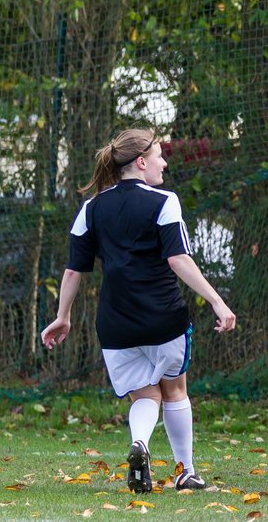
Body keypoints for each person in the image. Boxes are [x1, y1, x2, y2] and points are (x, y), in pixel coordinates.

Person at [41, 128, 237, 493]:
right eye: (160, 155)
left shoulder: (92, 207)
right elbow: (178, 259)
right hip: (163, 317)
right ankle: (185, 472)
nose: (164, 162)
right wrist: (217, 301)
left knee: (145, 396)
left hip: (116, 324)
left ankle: (141, 444)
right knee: (175, 391)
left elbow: (73, 270)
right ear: (141, 162)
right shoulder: (165, 201)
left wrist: (62, 315)